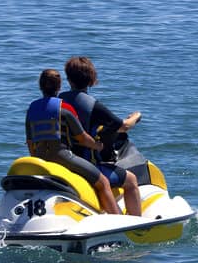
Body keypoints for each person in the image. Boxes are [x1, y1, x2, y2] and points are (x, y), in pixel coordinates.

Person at [25, 68, 123, 215]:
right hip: (62, 156)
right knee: (103, 182)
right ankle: (118, 222)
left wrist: (38, 160)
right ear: (59, 86)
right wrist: (97, 146)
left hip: (40, 158)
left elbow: (30, 142)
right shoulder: (64, 107)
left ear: (40, 86)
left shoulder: (32, 109)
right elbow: (82, 138)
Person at [60, 55, 142, 219]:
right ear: (91, 79)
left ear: (68, 79)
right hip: (87, 165)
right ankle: (138, 228)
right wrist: (136, 117)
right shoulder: (92, 105)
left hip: (63, 161)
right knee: (131, 181)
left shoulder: (58, 100)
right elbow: (123, 126)